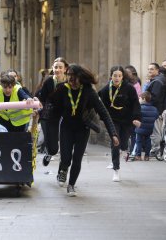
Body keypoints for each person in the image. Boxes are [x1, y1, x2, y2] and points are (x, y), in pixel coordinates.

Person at [48, 64, 119, 196]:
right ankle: (63, 170)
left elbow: (104, 113)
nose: (70, 79)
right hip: (66, 127)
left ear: (80, 77)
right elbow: (52, 106)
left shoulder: (88, 91)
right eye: (68, 76)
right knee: (66, 157)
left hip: (83, 128)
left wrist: (113, 134)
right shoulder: (62, 89)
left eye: (73, 77)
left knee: (77, 158)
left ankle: (71, 185)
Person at [98, 66, 141, 182]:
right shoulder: (106, 89)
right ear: (111, 76)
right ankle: (116, 169)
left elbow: (136, 104)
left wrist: (137, 118)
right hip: (113, 120)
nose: (117, 78)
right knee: (115, 142)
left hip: (127, 120)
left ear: (123, 77)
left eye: (119, 76)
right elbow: (101, 105)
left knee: (123, 144)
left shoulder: (129, 88)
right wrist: (104, 119)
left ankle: (125, 148)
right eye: (115, 75)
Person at [37, 57, 68, 166]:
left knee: (62, 145)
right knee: (53, 148)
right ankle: (49, 153)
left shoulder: (69, 82)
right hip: (49, 116)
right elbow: (42, 98)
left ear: (65, 69)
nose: (57, 70)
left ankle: (62, 167)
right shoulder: (49, 81)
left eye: (60, 67)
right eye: (55, 67)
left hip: (64, 116)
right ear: (52, 68)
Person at [134, 91, 159, 161]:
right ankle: (147, 156)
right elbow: (156, 117)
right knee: (148, 142)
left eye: (140, 98)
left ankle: (138, 155)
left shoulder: (139, 108)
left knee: (138, 141)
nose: (139, 100)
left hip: (140, 128)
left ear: (144, 99)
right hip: (150, 129)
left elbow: (136, 116)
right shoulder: (154, 109)